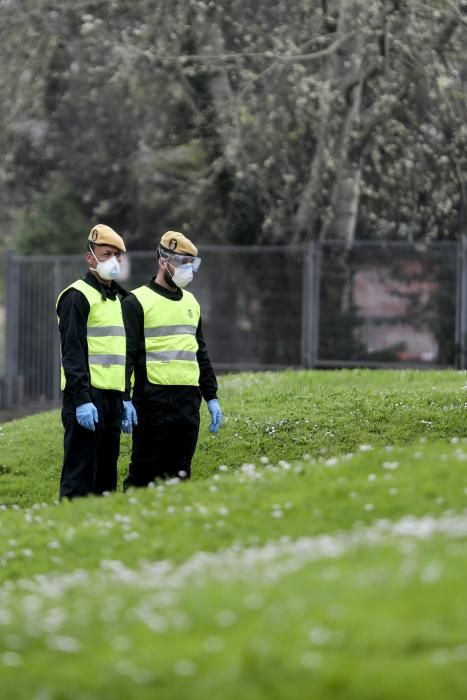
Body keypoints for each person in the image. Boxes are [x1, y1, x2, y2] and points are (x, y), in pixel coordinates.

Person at [122, 230, 222, 488]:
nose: (187, 269)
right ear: (162, 260)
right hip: (152, 401)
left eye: (191, 263)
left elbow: (200, 351)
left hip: (188, 402)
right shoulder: (136, 301)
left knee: (180, 474)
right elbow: (127, 355)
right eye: (181, 262)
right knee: (144, 474)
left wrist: (211, 395)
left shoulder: (191, 302)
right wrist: (124, 397)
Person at [56, 224, 138, 499]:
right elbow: (73, 352)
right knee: (79, 478)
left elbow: (123, 354)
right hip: (86, 398)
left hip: (113, 400)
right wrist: (81, 399)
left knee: (106, 481)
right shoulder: (76, 296)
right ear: (90, 257)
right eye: (106, 254)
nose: (113, 260)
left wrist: (125, 398)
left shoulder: (121, 299)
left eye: (117, 255)